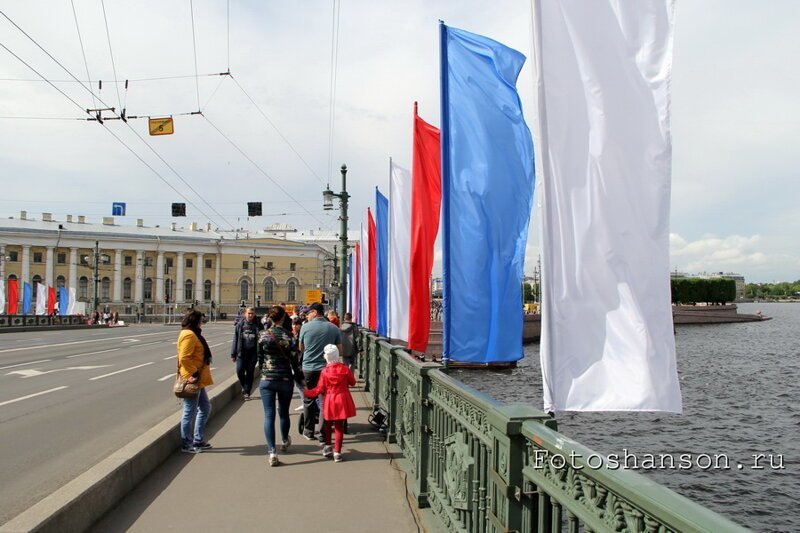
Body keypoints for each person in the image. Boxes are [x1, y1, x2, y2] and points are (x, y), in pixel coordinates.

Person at [258, 306, 302, 466]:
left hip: (267, 380)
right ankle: (284, 440)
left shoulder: (262, 335)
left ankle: (272, 452)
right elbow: (295, 362)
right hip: (285, 379)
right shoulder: (289, 336)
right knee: (284, 412)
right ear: (283, 318)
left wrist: (265, 371)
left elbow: (260, 358)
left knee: (269, 415)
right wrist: (300, 379)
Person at [298, 302, 342, 442]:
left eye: (309, 312)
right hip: (326, 370)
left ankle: (309, 430)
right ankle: (323, 433)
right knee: (324, 402)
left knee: (309, 400)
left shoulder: (305, 327)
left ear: (315, 312)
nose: (307, 315)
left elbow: (301, 348)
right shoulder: (334, 328)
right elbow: (339, 351)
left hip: (309, 369)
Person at [304, 344, 356, 462]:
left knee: (328, 424)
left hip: (330, 400)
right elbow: (352, 382)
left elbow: (319, 389)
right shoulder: (344, 369)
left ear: (326, 357)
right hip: (342, 399)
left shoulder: (325, 371)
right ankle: (337, 452)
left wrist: (307, 393)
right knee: (339, 426)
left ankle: (327, 446)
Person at [177, 309, 214, 453]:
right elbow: (184, 357)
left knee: (205, 408)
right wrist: (194, 373)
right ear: (195, 321)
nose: (202, 323)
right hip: (192, 378)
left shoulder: (193, 333)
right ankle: (187, 443)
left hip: (197, 378)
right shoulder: (188, 335)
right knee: (189, 411)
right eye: (200, 320)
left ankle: (198, 440)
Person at [230, 307, 263, 400]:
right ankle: (244, 386)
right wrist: (233, 353)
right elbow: (235, 339)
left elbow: (262, 339)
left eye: (252, 313)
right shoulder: (240, 325)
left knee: (250, 372)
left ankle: (247, 392)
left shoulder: (258, 325)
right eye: (249, 313)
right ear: (245, 314)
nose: (250, 315)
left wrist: (261, 353)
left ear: (254, 314)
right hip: (241, 352)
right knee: (239, 371)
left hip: (253, 353)